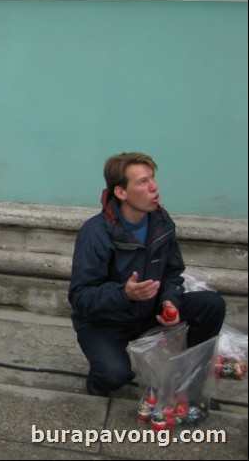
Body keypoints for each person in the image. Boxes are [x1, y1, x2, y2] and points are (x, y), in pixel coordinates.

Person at [68, 152, 226, 397]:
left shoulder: (161, 223)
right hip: (106, 321)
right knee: (114, 375)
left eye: (152, 179)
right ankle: (99, 378)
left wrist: (169, 300)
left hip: (150, 311)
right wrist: (124, 293)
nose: (154, 188)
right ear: (121, 192)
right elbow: (80, 297)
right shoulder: (95, 232)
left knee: (211, 304)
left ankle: (188, 380)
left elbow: (173, 272)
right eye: (143, 182)